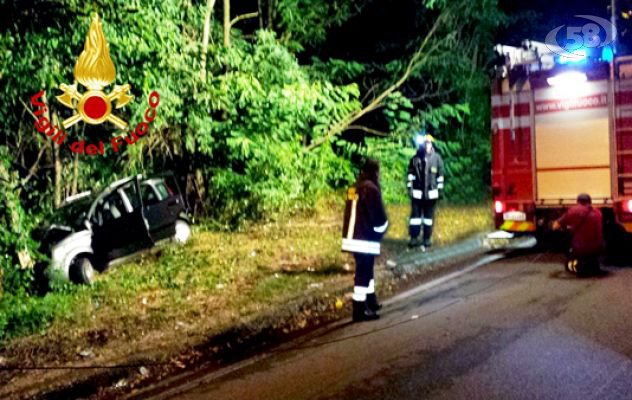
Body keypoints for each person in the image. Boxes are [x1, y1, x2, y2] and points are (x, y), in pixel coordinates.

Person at [342, 158, 389, 322]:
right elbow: (377, 217)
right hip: (365, 239)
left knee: (366, 271)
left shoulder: (353, 188)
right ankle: (359, 310)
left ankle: (370, 302)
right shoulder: (371, 189)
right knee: (363, 273)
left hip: (352, 238)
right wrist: (382, 230)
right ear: (375, 171)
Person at [407, 133, 445, 249]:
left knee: (428, 218)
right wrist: (409, 188)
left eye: (428, 143)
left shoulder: (437, 158)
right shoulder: (415, 158)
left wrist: (440, 190)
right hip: (417, 194)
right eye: (425, 143)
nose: (426, 145)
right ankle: (414, 238)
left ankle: (427, 238)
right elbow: (410, 174)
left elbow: (440, 175)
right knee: (415, 218)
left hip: (431, 194)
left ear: (431, 144)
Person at [552, 193, 603, 276]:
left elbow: (555, 226)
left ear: (578, 201)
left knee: (568, 241)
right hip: (597, 247)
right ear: (590, 202)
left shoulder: (573, 211)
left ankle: (574, 265)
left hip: (580, 247)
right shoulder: (598, 213)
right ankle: (593, 266)